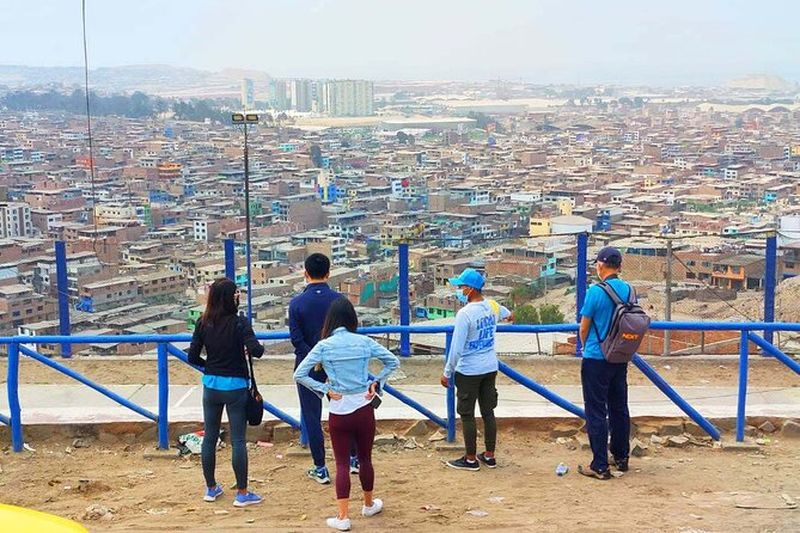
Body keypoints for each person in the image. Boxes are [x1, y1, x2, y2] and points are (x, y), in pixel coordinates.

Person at [294, 298, 399, 531]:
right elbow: (393, 361)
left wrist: (324, 389)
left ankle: (343, 517)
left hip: (339, 408)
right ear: (352, 318)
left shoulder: (324, 345)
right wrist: (376, 382)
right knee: (365, 459)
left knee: (341, 463)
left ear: (330, 320)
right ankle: (369, 504)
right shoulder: (364, 341)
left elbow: (299, 374)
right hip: (364, 406)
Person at [187, 277, 264, 507]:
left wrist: (210, 366)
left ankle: (211, 488)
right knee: (238, 439)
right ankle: (242, 493)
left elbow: (192, 356)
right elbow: (256, 351)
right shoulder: (239, 323)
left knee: (210, 437)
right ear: (231, 298)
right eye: (236, 293)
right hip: (235, 387)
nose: (238, 296)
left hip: (211, 385)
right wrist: (255, 347)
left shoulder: (203, 322)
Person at [289, 253, 359, 485]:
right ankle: (353, 458)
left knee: (312, 415)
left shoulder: (296, 303)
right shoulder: (340, 301)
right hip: (338, 363)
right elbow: (350, 333)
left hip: (308, 366)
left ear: (305, 273)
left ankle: (320, 467)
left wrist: (315, 358)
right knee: (346, 410)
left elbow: (296, 339)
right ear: (329, 273)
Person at [440, 268, 511, 471]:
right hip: (490, 366)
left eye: (461, 287)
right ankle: (489, 455)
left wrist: (447, 372)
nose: (459, 290)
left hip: (469, 370)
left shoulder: (465, 314)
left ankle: (470, 458)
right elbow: (509, 315)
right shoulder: (492, 306)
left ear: (470, 289)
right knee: (488, 412)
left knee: (467, 414)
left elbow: (456, 348)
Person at [578, 246, 632, 480]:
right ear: (619, 266)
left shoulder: (595, 291)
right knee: (619, 408)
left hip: (596, 358)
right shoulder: (629, 289)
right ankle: (621, 457)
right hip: (619, 356)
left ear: (600, 265)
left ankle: (599, 465)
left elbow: (584, 327)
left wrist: (585, 347)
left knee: (596, 411)